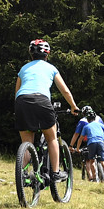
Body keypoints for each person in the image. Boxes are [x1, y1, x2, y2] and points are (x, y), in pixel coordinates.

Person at [14, 39, 79, 184]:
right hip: (42, 101)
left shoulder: (23, 69)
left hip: (21, 102)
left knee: (26, 141)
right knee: (52, 138)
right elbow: (65, 91)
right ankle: (55, 173)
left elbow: (17, 92)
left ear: (31, 54)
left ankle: (22, 174)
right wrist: (74, 106)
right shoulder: (51, 68)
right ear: (47, 55)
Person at [70, 105, 104, 184]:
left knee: (90, 160)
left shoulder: (83, 121)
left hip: (90, 142)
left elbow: (77, 135)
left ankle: (92, 178)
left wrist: (72, 146)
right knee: (103, 161)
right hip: (102, 141)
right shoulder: (99, 119)